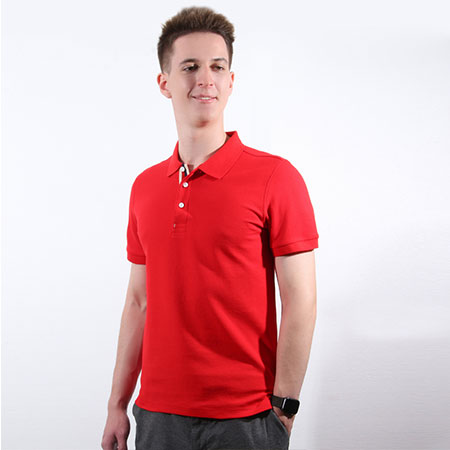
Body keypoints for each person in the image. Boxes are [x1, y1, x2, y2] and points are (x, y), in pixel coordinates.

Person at [101, 6, 319, 450]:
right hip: (157, 416)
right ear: (164, 83)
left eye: (218, 67)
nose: (206, 79)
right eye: (190, 67)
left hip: (247, 418)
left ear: (231, 81)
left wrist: (284, 408)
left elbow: (301, 299)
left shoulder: (276, 178)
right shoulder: (145, 187)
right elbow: (139, 301)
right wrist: (117, 404)